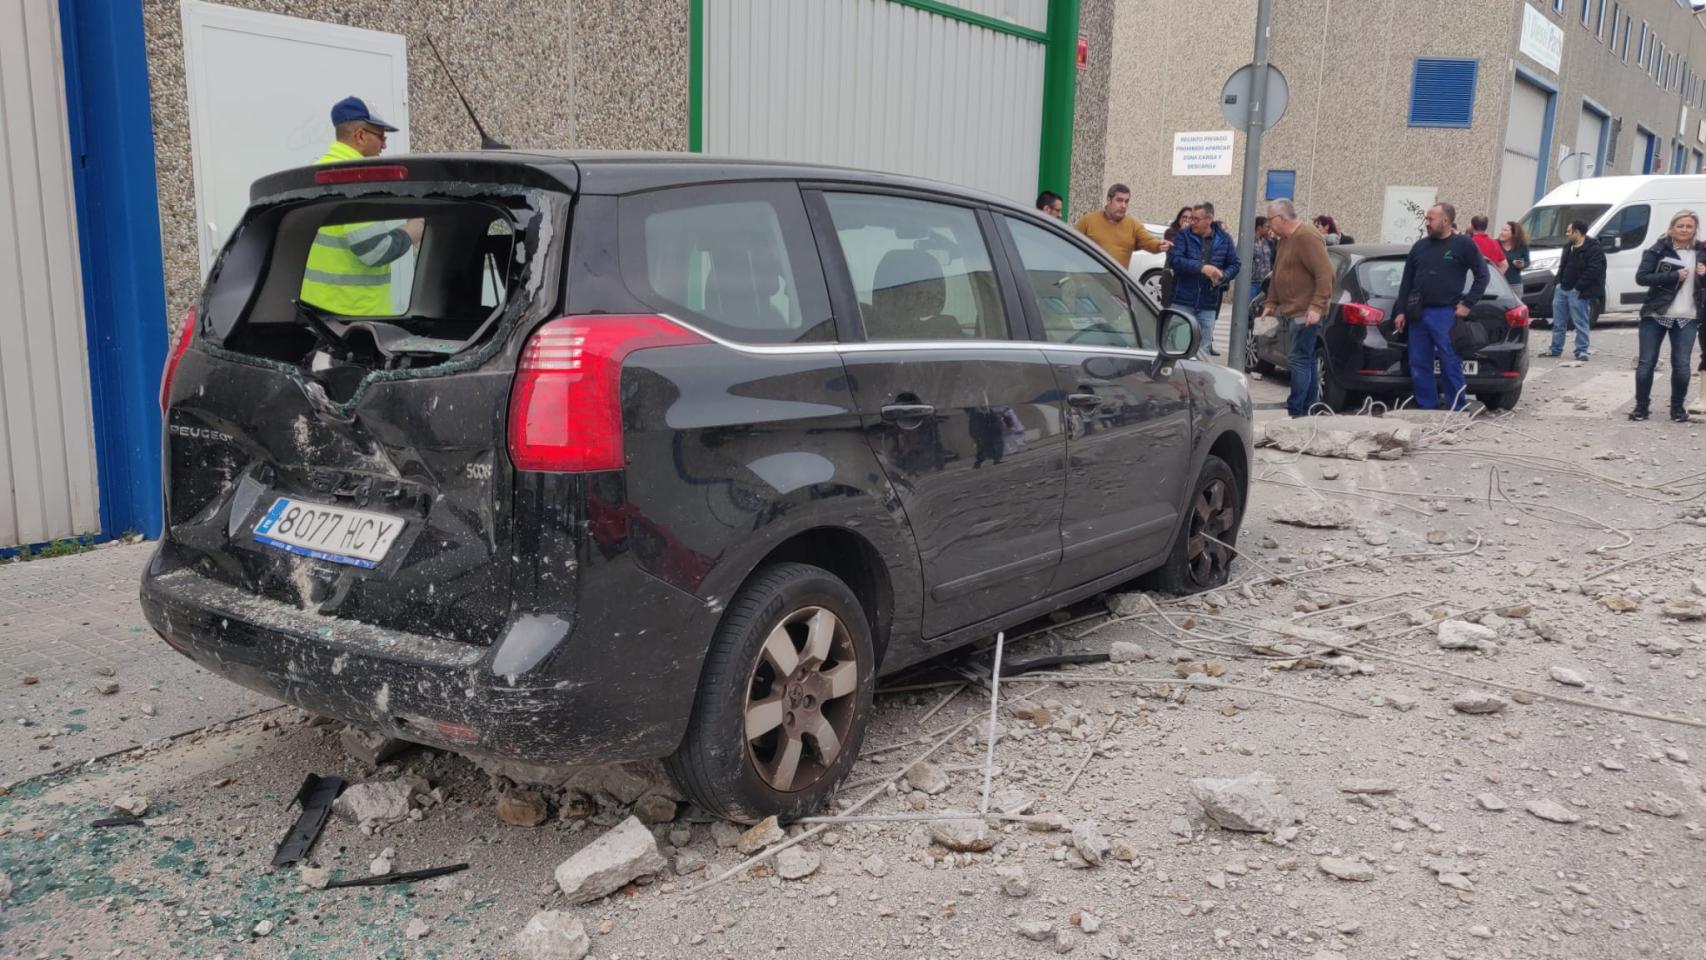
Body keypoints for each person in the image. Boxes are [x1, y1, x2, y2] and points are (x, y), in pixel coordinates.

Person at [300, 97, 422, 316]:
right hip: (354, 318)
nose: (384, 144)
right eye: (381, 136)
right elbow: (375, 250)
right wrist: (413, 230)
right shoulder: (354, 179)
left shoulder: (315, 172)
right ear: (360, 136)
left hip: (317, 311)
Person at [1392, 202, 1489, 411]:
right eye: (1426, 219)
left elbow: (1483, 276)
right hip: (1418, 312)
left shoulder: (1463, 245)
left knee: (1450, 361)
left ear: (1445, 220)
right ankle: (1427, 405)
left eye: (1430, 219)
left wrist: (1467, 304)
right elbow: (1406, 281)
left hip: (1446, 313)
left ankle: (1457, 406)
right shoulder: (1420, 247)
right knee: (1418, 362)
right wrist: (1401, 311)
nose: (1426, 223)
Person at [1630, 210, 1705, 422]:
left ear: (1694, 230)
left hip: (1687, 316)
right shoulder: (1658, 249)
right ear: (1672, 227)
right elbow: (1642, 278)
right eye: (1680, 226)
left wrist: (1704, 274)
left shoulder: (1702, 251)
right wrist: (1673, 275)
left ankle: (1677, 409)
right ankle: (1641, 408)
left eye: (1689, 226)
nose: (1684, 230)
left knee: (1682, 365)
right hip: (1656, 314)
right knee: (1647, 362)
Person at [1260, 200, 1334, 417]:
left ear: (1282, 218)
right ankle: (1308, 406)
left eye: (1270, 220)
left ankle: (1297, 408)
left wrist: (1316, 306)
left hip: (1306, 311)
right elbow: (1277, 273)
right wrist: (1271, 303)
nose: (1269, 225)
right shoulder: (1285, 240)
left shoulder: (1306, 236)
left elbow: (1325, 274)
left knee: (1298, 358)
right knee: (1305, 358)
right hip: (1293, 310)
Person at [1167, 202, 1241, 356]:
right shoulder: (1183, 235)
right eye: (1191, 218)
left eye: (1196, 219)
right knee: (1176, 348)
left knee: (1203, 350)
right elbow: (1175, 260)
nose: (1191, 222)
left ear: (1208, 219)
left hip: (1208, 304)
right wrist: (1202, 268)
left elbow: (1235, 264)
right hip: (1183, 301)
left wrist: (1223, 276)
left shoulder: (1224, 239)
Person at [1542, 219, 1605, 361]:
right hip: (1562, 289)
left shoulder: (1593, 248)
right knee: (1558, 322)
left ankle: (1581, 350)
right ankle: (1555, 349)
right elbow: (1562, 266)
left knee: (1581, 321)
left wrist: (1578, 287)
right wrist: (1558, 282)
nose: (1567, 234)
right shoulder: (1568, 246)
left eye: (1569, 231)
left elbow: (1593, 270)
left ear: (1577, 232)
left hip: (1579, 292)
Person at [1075, 184, 1170, 267]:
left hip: (1116, 283)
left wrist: (1159, 245)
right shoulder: (1088, 220)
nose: (1123, 205)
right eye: (1119, 200)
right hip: (1089, 282)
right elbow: (1071, 245)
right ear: (1109, 200)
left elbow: (1148, 242)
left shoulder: (1133, 224)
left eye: (1126, 201)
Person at [1498, 220, 1530, 291]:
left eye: (1505, 230)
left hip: (1514, 284)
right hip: (1497, 284)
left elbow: (1527, 262)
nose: (1501, 232)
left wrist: (1521, 264)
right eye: (1501, 230)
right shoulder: (1495, 244)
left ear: (1513, 233)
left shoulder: (1522, 246)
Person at [1251, 215, 1276, 301]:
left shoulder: (1268, 243)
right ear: (1259, 228)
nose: (1269, 230)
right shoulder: (1249, 242)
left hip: (1265, 282)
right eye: (1267, 227)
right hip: (1252, 283)